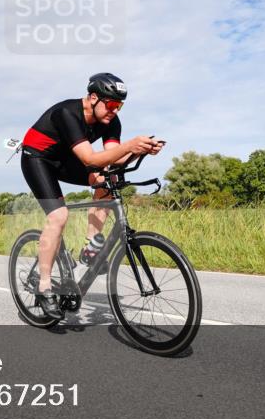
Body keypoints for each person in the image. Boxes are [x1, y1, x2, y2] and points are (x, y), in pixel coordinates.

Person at [20, 73, 163, 319]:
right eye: (110, 104)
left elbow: (112, 159)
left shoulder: (111, 121)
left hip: (67, 160)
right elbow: (89, 159)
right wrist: (130, 145)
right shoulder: (68, 113)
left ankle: (90, 246)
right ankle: (44, 286)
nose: (114, 110)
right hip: (38, 159)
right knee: (59, 216)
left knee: (109, 177)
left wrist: (140, 152)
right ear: (93, 98)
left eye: (119, 106)